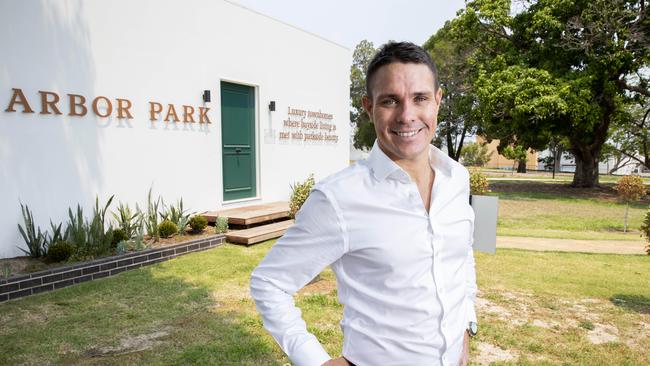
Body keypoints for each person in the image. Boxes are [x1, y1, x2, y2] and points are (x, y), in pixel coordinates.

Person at [250, 41, 477, 366]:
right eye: (390, 101)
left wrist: (466, 326)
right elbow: (269, 282)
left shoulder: (457, 178)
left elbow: (461, 255)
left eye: (420, 98)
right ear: (368, 107)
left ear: (438, 101)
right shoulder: (339, 199)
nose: (407, 115)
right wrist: (314, 360)